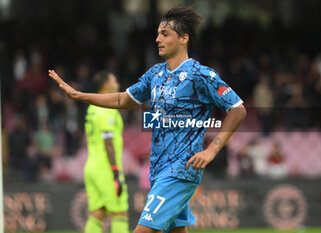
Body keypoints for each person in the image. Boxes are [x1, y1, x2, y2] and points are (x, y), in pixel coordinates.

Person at [49, 7, 246, 233]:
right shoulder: (155, 74)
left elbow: (237, 110)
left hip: (180, 170)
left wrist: (211, 151)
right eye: (158, 33)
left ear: (184, 38)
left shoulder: (200, 74)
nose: (157, 39)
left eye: (165, 34)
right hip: (158, 169)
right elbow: (124, 99)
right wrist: (78, 95)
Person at [83, 71, 129, 233]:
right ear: (106, 86)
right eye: (114, 81)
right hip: (106, 168)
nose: (117, 84)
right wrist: (116, 171)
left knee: (99, 212)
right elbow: (108, 142)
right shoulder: (105, 108)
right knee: (119, 211)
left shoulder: (92, 109)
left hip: (91, 167)